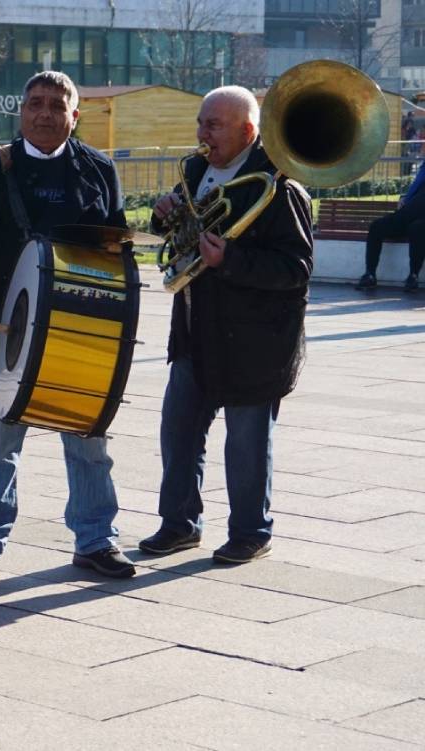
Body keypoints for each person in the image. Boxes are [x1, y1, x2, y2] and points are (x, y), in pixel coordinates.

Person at [0, 71, 135, 584]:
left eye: (56, 105)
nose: (45, 113)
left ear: (74, 116)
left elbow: (115, 250)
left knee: (89, 444)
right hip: (5, 330)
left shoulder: (100, 170)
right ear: (21, 112)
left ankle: (96, 540)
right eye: (35, 103)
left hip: (79, 334)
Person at [140, 86, 312, 564]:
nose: (203, 134)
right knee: (178, 433)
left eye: (213, 125)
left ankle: (252, 532)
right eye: (201, 122)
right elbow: (177, 236)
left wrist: (230, 259)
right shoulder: (196, 171)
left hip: (254, 341)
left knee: (246, 445)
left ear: (248, 130)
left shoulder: (280, 187)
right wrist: (163, 217)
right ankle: (179, 524)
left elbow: (296, 269)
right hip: (195, 330)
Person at [354, 160, 425, 293]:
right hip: (406, 215)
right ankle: (370, 274)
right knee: (376, 227)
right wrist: (405, 198)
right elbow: (416, 187)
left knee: (417, 229)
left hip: (419, 220)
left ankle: (413, 276)